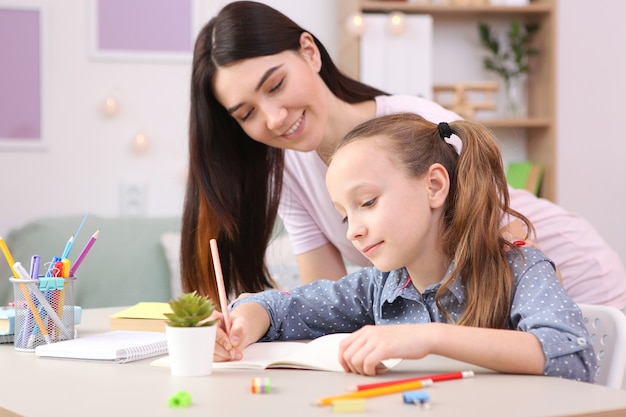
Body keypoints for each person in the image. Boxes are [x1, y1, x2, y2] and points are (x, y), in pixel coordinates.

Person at [181, 0, 626, 312]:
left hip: (571, 284)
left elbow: (509, 252)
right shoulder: (290, 167)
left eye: (275, 85)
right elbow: (329, 298)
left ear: (309, 53)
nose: (274, 118)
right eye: (247, 113)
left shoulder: (421, 124)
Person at [212, 113, 596, 382]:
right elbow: (282, 307)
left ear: (433, 186)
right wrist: (243, 323)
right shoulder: (381, 286)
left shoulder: (520, 268)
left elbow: (572, 357)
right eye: (345, 217)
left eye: (366, 203)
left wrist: (428, 338)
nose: (353, 233)